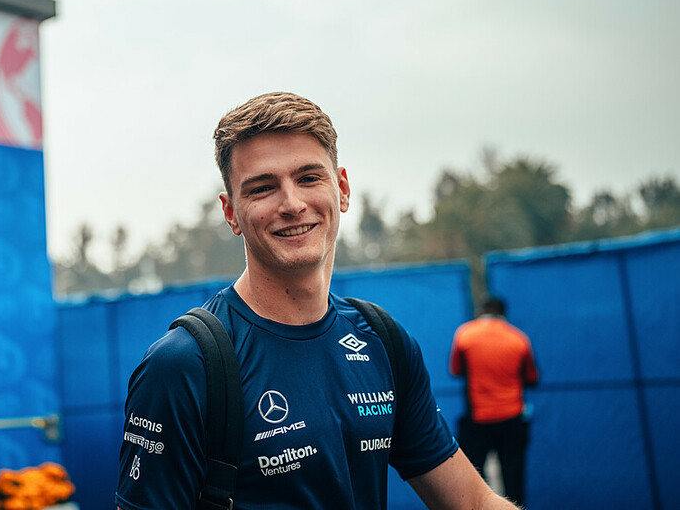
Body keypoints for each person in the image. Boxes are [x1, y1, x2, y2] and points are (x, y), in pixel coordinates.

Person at [116, 91, 520, 510]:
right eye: (263, 188)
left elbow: (474, 503)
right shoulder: (183, 366)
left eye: (308, 178)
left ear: (341, 189)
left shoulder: (383, 342)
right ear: (231, 212)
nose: (292, 204)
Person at [449, 296, 539, 507]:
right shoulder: (519, 338)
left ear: (481, 311)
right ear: (503, 313)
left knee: (471, 479)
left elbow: (456, 369)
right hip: (512, 419)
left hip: (478, 419)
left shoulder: (465, 334)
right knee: (513, 480)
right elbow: (531, 377)